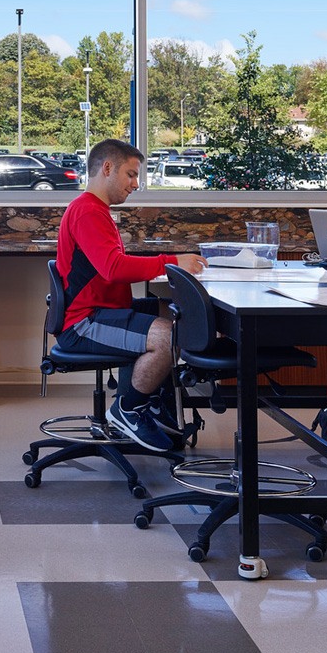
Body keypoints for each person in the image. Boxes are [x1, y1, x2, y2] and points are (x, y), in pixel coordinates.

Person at [54, 138, 205, 453]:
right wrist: (173, 261)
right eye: (131, 175)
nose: (136, 184)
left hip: (102, 309)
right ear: (107, 168)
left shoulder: (96, 210)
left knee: (172, 312)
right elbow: (112, 268)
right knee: (167, 337)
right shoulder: (88, 212)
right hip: (84, 322)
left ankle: (154, 404)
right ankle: (129, 408)